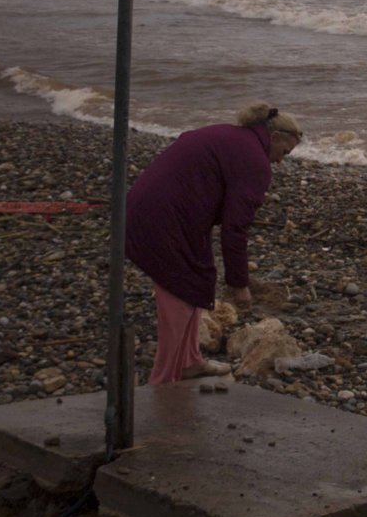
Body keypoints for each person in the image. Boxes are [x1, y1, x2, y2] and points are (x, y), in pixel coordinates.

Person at [126, 102, 302, 384]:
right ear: (275, 136)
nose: (280, 161)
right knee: (179, 291)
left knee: (197, 279)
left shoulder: (230, 135)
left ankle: (189, 362)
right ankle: (164, 379)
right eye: (284, 152)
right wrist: (239, 284)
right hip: (162, 218)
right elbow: (235, 228)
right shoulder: (254, 160)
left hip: (154, 209)